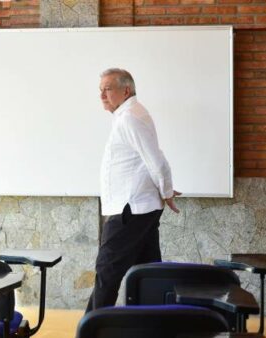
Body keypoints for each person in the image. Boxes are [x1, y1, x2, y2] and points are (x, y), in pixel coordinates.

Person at [85, 68, 181, 313]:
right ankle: (151, 326)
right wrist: (164, 189)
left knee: (107, 272)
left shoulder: (130, 117)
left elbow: (156, 159)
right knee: (148, 274)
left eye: (107, 89)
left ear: (125, 90)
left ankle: (91, 330)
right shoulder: (127, 114)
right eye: (100, 90)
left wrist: (167, 191)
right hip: (140, 208)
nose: (102, 96)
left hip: (130, 211)